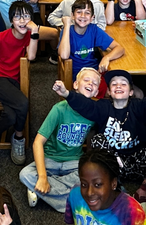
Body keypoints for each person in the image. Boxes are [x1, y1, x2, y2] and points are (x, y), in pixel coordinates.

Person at [52, 68, 146, 181]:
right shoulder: (103, 107)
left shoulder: (138, 106)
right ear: (109, 92)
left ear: (131, 92)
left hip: (138, 162)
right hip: (112, 164)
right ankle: (116, 180)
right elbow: (86, 105)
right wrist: (66, 94)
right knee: (97, 139)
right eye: (114, 84)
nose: (118, 86)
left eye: (123, 84)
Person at [19, 68, 99, 212]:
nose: (90, 84)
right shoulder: (59, 109)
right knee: (25, 174)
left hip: (74, 161)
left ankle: (41, 192)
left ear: (96, 92)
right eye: (86, 80)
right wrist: (42, 176)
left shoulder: (94, 112)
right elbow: (37, 142)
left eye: (94, 83)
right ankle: (70, 198)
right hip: (51, 159)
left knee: (94, 175)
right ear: (75, 84)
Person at [0, 1, 40, 165]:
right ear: (11, 20)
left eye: (26, 16)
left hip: (13, 81)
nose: (22, 21)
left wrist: (35, 31)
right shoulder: (2, 37)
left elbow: (32, 57)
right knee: (23, 104)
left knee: (11, 115)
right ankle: (19, 137)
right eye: (17, 17)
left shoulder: (29, 36)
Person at [58, 0, 124, 79]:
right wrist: (67, 25)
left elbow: (120, 48)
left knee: (117, 81)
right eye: (79, 12)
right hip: (78, 74)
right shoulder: (66, 31)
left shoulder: (94, 29)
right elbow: (64, 56)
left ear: (92, 17)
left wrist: (106, 58)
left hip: (94, 70)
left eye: (87, 13)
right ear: (72, 16)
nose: (83, 16)